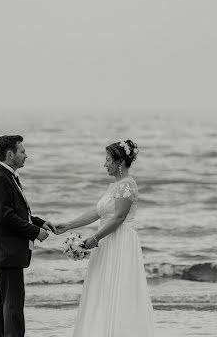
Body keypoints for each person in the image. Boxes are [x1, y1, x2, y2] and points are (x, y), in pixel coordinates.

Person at [55, 139, 157, 337]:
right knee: (101, 290)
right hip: (108, 241)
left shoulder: (127, 185)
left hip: (119, 242)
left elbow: (119, 218)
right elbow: (97, 213)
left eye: (108, 159)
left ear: (119, 162)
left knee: (118, 291)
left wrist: (95, 238)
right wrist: (67, 225)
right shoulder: (116, 185)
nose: (105, 164)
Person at [0, 134, 56, 337]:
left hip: (3, 252)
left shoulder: (7, 176)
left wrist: (40, 223)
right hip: (7, 252)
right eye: (22, 152)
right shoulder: (0, 179)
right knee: (12, 305)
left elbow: (18, 212)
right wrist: (35, 232)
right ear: (10, 154)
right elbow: (6, 217)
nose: (26, 155)